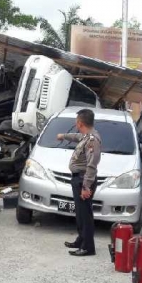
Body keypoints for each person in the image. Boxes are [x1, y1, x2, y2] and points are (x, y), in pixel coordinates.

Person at [57, 109, 101, 257]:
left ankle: (88, 247)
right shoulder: (86, 136)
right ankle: (81, 240)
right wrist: (64, 136)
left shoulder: (92, 140)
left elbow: (92, 165)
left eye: (77, 122)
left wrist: (86, 186)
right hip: (78, 179)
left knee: (85, 215)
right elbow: (77, 137)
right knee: (80, 214)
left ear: (80, 123)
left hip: (83, 180)